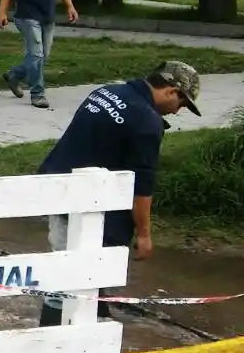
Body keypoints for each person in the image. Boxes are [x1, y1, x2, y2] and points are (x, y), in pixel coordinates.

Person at [35, 60, 202, 327]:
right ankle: (52, 347)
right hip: (90, 205)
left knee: (80, 274)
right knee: (68, 283)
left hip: (60, 189)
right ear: (172, 91)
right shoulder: (147, 121)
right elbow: (142, 187)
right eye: (182, 105)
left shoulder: (106, 92)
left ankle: (89, 334)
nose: (177, 111)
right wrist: (145, 234)